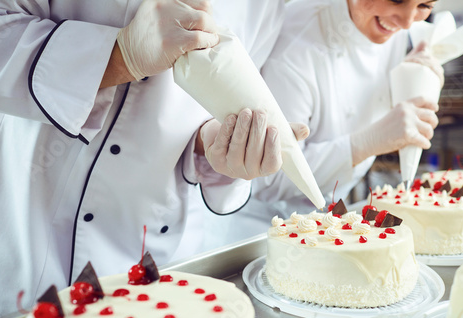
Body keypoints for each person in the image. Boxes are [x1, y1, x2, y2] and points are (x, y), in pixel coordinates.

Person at [0, 0, 305, 318]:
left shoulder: (269, 7)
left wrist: (213, 146)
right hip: (24, 232)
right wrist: (117, 57)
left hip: (154, 260)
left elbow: (212, 108)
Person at [184, 0, 444, 252]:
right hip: (260, 231)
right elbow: (269, 175)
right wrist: (367, 143)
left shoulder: (393, 29)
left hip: (331, 226)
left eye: (425, 5)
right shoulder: (298, 47)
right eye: (396, 0)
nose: (408, 22)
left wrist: (413, 78)